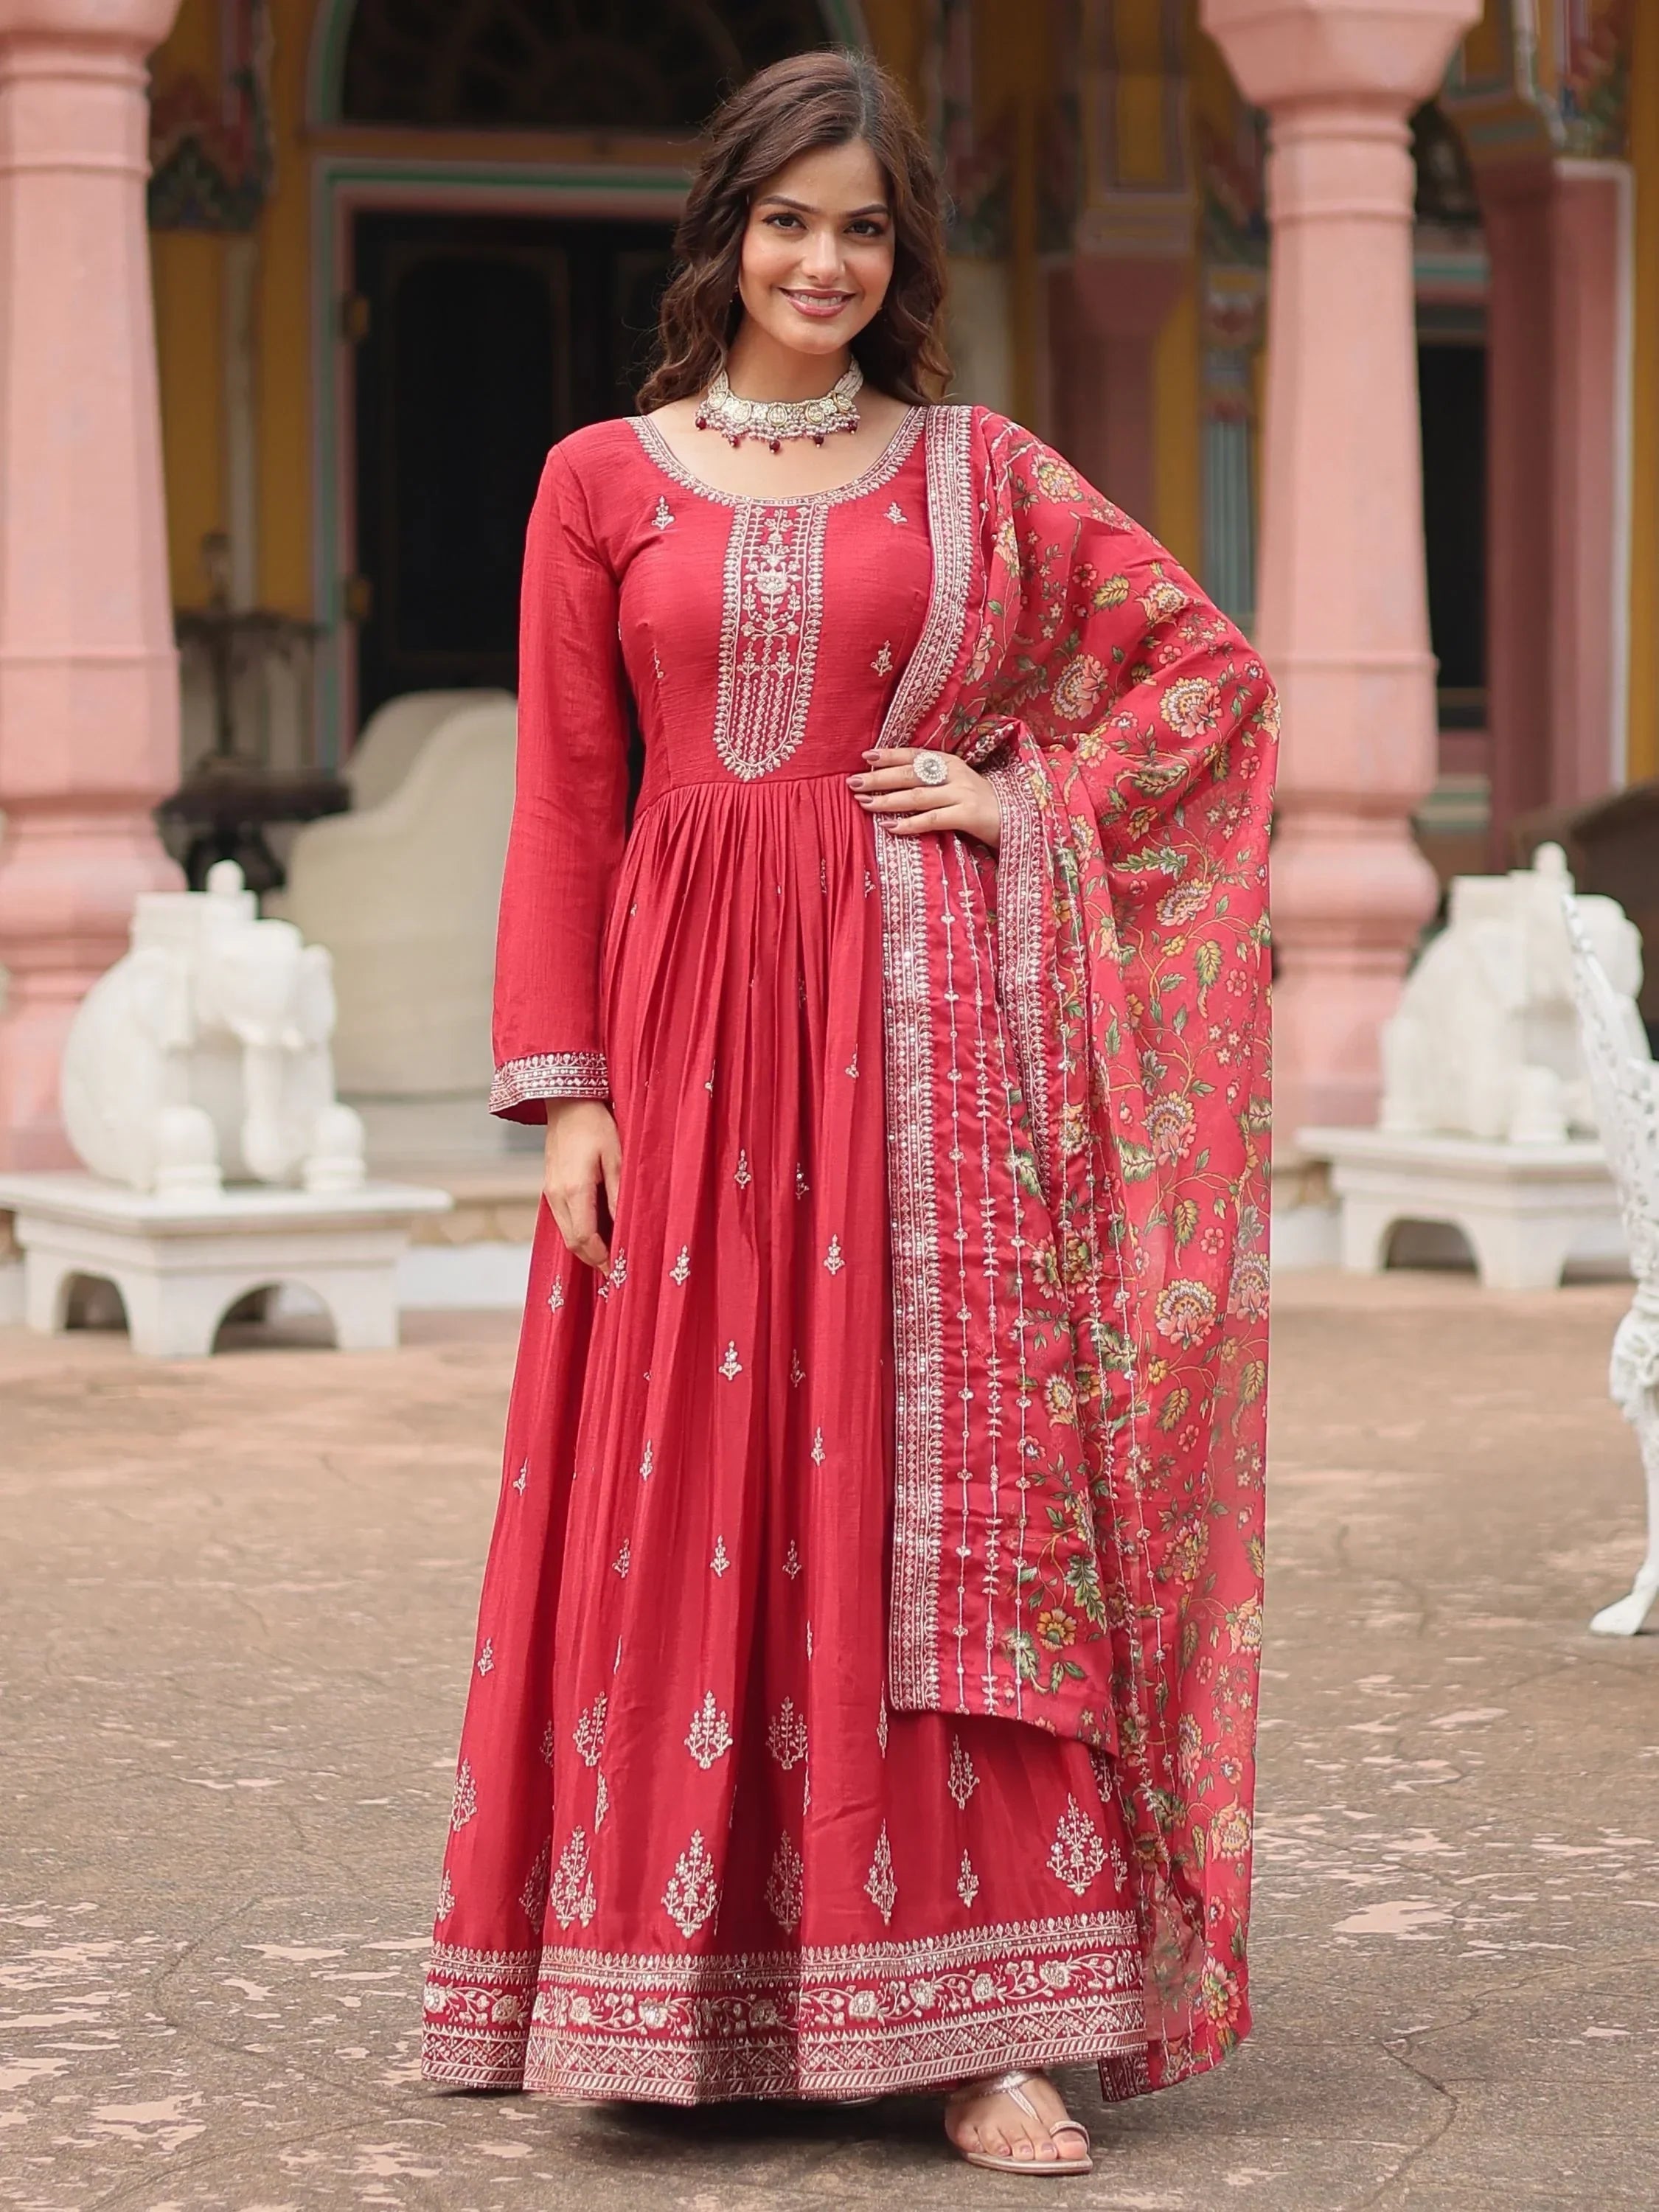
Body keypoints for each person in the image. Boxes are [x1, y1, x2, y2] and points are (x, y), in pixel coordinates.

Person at [420, 46, 1276, 2178]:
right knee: (690, 1491)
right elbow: (567, 799)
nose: (823, 259)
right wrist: (571, 1101)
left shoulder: (975, 472)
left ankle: (984, 2028)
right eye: (790, 218)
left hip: (922, 1049)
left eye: (863, 226)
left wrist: (1023, 797)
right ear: (724, 231)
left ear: (901, 255)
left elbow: (1200, 675)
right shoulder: (596, 480)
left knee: (932, 1507)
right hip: (689, 1041)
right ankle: (673, 1993)